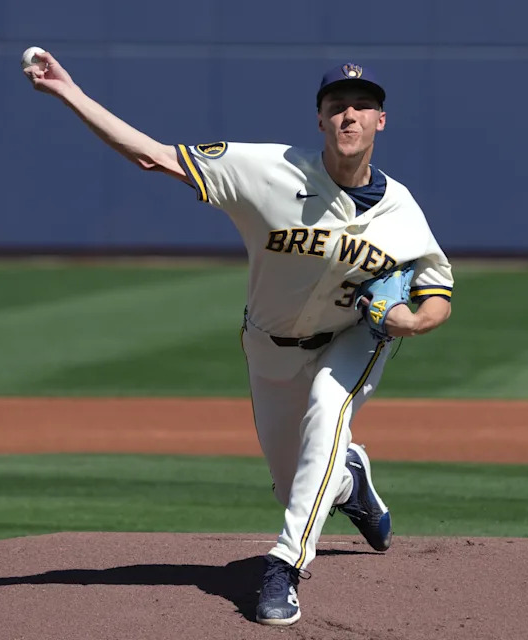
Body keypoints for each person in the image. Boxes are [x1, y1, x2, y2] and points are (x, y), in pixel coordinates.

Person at [24, 55, 454, 626]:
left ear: (381, 121)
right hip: (269, 347)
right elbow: (152, 156)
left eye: (362, 106)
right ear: (320, 121)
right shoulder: (266, 170)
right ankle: (350, 483)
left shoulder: (403, 212)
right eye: (336, 107)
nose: (349, 115)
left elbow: (438, 289)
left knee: (330, 407)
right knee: (293, 482)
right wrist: (69, 92)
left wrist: (415, 322)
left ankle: (284, 565)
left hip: (351, 338)